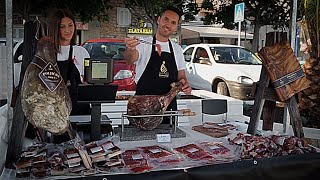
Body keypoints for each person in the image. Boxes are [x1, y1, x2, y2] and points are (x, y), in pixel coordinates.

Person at [124, 5, 192, 123]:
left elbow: (181, 76)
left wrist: (184, 84)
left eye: (173, 22)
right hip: (142, 106)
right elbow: (130, 59)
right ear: (159, 19)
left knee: (169, 139)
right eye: (166, 19)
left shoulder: (177, 49)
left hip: (167, 107)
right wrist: (131, 48)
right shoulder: (143, 44)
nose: (168, 25)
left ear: (176, 26)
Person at [48, 9, 90, 115]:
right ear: (55, 29)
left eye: (70, 25)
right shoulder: (48, 53)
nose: (68, 30)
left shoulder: (81, 52)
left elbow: (87, 79)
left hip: (79, 109)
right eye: (62, 27)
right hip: (54, 111)